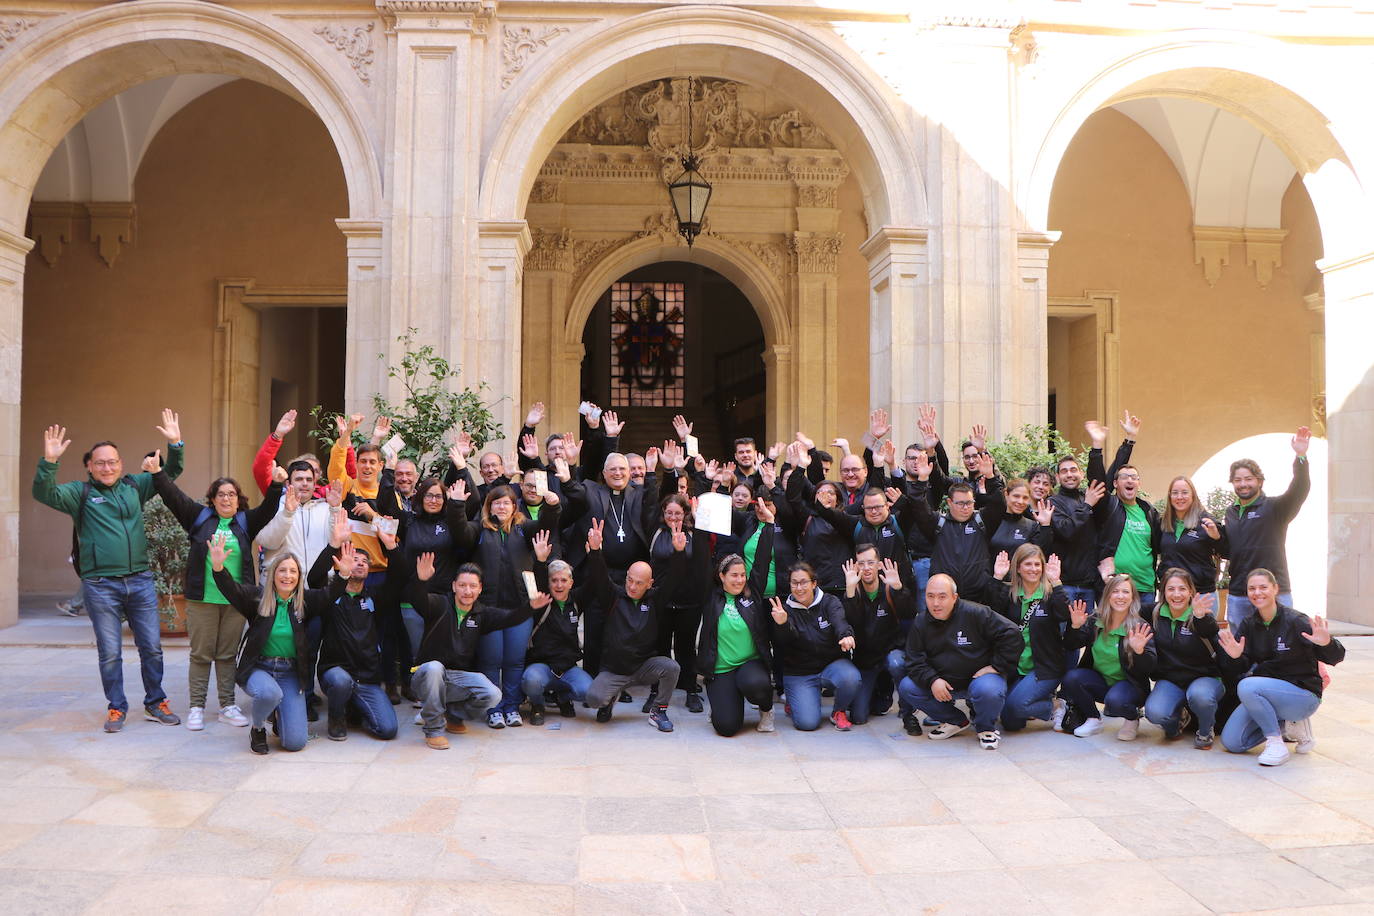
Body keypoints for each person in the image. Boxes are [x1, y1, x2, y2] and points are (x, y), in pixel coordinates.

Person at [31, 412, 186, 732]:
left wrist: (175, 443)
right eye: (100, 462)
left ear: (120, 463)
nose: (107, 467)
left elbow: (170, 472)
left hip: (140, 580)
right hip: (101, 585)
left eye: (112, 461)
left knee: (152, 648)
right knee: (110, 652)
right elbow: (44, 493)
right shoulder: (79, 493)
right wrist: (49, 462)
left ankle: (156, 702)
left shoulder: (135, 486)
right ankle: (117, 707)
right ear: (89, 466)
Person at [150, 453, 286, 731]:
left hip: (236, 600)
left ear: (238, 499)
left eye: (232, 494)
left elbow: (270, 508)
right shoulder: (198, 518)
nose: (226, 499)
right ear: (212, 499)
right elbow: (174, 496)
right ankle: (197, 707)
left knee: (226, 654)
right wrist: (157, 473)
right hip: (203, 599)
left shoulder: (246, 522)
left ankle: (227, 705)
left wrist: (276, 485)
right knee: (201, 654)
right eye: (221, 494)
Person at [208, 533, 340, 754]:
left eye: (292, 571)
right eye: (282, 570)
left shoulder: (304, 602)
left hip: (290, 672)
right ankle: (258, 728)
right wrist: (219, 568)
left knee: (295, 743)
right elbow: (232, 590)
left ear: (299, 576)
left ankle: (281, 717)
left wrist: (343, 575)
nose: (287, 575)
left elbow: (329, 594)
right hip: (260, 668)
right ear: (273, 575)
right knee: (270, 694)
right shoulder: (257, 599)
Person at [406, 555, 542, 750]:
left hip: (455, 679)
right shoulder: (439, 605)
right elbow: (418, 600)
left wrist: (530, 608)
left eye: (472, 586)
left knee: (493, 694)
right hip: (425, 675)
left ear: (479, 589)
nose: (467, 591)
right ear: (454, 586)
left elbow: (509, 618)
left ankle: (453, 714)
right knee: (435, 668)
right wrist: (421, 580)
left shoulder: (481, 614)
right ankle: (434, 729)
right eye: (462, 585)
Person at [1218, 568, 1344, 765]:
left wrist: (1326, 643)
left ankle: (1275, 743)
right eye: (1252, 588)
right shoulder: (1249, 624)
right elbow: (1239, 666)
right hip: (1268, 695)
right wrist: (1235, 657)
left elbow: (1337, 657)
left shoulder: (1296, 621)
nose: (1257, 593)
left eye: (1263, 587)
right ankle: (1285, 725)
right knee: (1233, 742)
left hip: (1302, 694)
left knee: (1248, 686)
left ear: (1275, 589)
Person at [463, 483, 561, 727]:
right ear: (489, 506)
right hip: (489, 609)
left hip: (520, 608)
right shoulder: (479, 529)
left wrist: (551, 505)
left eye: (506, 502)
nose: (502, 506)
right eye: (497, 502)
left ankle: (511, 706)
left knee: (515, 661)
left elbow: (545, 526)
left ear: (514, 506)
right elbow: (459, 531)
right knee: (491, 661)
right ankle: (493, 708)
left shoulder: (523, 529)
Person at [583, 520, 686, 732]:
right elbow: (600, 576)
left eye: (639, 583)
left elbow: (674, 579)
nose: (632, 586)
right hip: (614, 670)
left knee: (671, 667)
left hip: (643, 667)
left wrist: (678, 552)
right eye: (630, 579)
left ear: (649, 584)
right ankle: (610, 698)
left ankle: (658, 711)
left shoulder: (655, 600)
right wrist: (595, 551)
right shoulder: (613, 596)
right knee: (593, 699)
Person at [896, 573, 1021, 748]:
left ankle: (985, 728)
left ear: (955, 597)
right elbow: (914, 659)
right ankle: (956, 721)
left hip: (979, 680)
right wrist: (932, 680)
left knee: (990, 690)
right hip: (944, 684)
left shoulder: (977, 613)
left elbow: (1012, 634)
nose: (936, 603)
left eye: (942, 596)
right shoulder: (921, 622)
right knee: (908, 687)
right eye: (930, 596)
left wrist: (997, 666)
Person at [306, 525, 400, 743]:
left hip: (367, 679)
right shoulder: (329, 595)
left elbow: (399, 579)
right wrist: (334, 545)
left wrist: (391, 547)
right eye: (354, 559)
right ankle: (337, 718)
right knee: (341, 682)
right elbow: (314, 577)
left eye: (364, 561)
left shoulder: (375, 597)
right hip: (336, 673)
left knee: (387, 730)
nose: (360, 563)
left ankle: (356, 708)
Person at [987, 546, 1085, 733]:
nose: (1033, 569)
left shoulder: (1050, 594)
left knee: (1015, 707)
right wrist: (997, 578)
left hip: (1044, 667)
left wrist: (1056, 582)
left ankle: (1055, 706)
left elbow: (1064, 614)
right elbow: (991, 611)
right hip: (1017, 666)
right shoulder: (1011, 594)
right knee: (1010, 722)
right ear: (1017, 568)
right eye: (1027, 564)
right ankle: (1035, 700)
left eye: (1037, 564)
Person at [1223, 427, 1312, 632]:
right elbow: (1230, 549)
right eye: (1238, 480)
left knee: (1281, 645)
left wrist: (1300, 456)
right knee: (1240, 648)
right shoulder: (1231, 513)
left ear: (1259, 481)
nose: (1243, 484)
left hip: (1274, 592)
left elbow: (1300, 488)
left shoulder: (1276, 508)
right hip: (1239, 593)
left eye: (1248, 479)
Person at [645, 444, 712, 712]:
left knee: (686, 648)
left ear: (686, 514)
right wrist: (664, 470)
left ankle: (690, 691)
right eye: (669, 512)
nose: (673, 516)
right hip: (661, 599)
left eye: (678, 513)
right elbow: (656, 496)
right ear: (663, 514)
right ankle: (656, 692)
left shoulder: (696, 534)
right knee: (660, 648)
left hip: (688, 601)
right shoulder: (656, 531)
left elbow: (702, 563)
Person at [696, 530, 777, 737]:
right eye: (734, 575)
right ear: (721, 576)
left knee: (755, 684)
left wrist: (768, 525)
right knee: (727, 728)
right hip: (721, 668)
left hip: (750, 664)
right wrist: (700, 529)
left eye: (742, 575)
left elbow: (762, 561)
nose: (740, 580)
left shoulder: (753, 594)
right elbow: (701, 558)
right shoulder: (710, 597)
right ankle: (723, 701)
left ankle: (766, 710)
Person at [1061, 574, 1157, 740]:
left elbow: (1150, 668)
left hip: (1130, 686)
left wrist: (1139, 651)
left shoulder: (1140, 626)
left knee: (1114, 703)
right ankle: (1093, 719)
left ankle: (1132, 717)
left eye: (1126, 592)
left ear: (1133, 597)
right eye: (1115, 591)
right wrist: (1075, 626)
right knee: (1071, 678)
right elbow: (1071, 645)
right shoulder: (1096, 621)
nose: (1120, 596)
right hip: (1101, 682)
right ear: (1107, 596)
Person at [770, 561, 860, 731]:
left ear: (814, 583)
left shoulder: (829, 602)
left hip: (830, 665)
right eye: (794, 583)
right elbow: (783, 642)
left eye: (804, 582)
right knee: (807, 723)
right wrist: (782, 624)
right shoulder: (784, 610)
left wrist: (846, 635)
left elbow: (840, 621)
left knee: (851, 678)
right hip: (800, 672)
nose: (799, 588)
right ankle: (795, 700)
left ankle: (838, 711)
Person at [1142, 569, 1227, 749]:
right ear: (1163, 591)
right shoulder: (1155, 612)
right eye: (1171, 589)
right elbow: (1125, 609)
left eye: (1182, 589)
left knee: (1200, 697)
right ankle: (1179, 720)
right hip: (1171, 680)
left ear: (1191, 591)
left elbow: (1209, 630)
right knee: (1154, 713)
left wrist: (1200, 617)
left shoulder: (1200, 615)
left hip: (1204, 679)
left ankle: (1205, 730)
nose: (1177, 594)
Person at [905, 449, 1002, 604]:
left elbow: (998, 504)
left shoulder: (982, 521)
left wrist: (991, 477)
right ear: (949, 503)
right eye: (960, 503)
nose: (965, 507)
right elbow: (918, 507)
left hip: (979, 597)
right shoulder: (938, 524)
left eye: (969, 503)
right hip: (945, 599)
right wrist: (922, 480)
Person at [524, 530, 597, 724]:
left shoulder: (576, 600)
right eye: (554, 580)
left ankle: (563, 698)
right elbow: (537, 581)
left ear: (571, 583)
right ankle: (537, 704)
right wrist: (540, 561)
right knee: (530, 681)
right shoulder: (541, 601)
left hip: (568, 668)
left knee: (589, 692)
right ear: (548, 583)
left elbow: (595, 583)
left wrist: (595, 554)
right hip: (542, 666)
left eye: (563, 580)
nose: (558, 585)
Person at [841, 548, 917, 726]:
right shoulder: (854, 591)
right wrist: (850, 592)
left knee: (896, 663)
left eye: (870, 562)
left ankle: (908, 710)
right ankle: (881, 691)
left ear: (879, 565)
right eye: (861, 563)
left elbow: (910, 614)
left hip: (890, 653)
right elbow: (852, 623)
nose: (866, 568)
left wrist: (899, 589)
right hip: (866, 660)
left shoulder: (890, 588)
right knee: (859, 717)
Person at [1047, 454, 1107, 613]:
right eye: (1064, 471)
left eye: (1073, 470)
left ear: (1081, 474)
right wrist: (1087, 506)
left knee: (1086, 634)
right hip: (1065, 584)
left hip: (1090, 585)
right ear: (1058, 477)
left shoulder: (1088, 497)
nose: (1069, 474)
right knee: (1064, 632)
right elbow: (1066, 530)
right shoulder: (1053, 502)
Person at [1157, 477, 1226, 604]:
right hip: (1171, 597)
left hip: (1201, 595)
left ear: (1193, 495)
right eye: (1175, 493)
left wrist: (1217, 537)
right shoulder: (1163, 524)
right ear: (1170, 496)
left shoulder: (1206, 522)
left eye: (1184, 492)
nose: (1179, 497)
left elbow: (1226, 551)